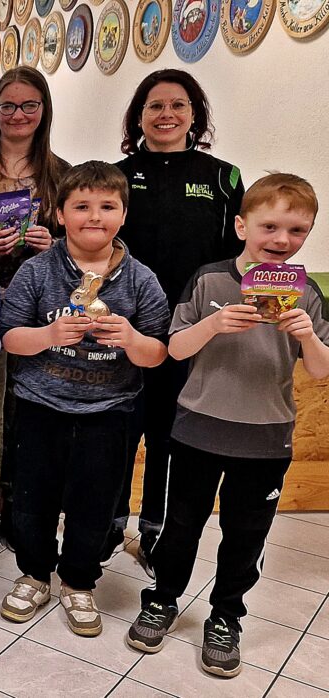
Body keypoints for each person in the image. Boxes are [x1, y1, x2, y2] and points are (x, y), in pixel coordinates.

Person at [126, 173, 328, 678]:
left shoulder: (305, 292)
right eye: (270, 226)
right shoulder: (209, 279)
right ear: (242, 226)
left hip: (267, 438)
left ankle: (225, 616)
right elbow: (174, 348)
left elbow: (321, 370)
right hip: (198, 429)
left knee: (246, 535)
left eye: (298, 230)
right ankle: (162, 599)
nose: (282, 240)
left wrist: (308, 338)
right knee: (181, 527)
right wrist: (214, 324)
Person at [0, 162, 169, 637]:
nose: (94, 217)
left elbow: (158, 354)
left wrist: (131, 338)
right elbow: (9, 338)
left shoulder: (141, 280)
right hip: (39, 407)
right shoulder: (37, 270)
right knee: (31, 501)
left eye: (107, 207)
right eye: (82, 207)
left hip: (109, 413)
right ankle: (34, 574)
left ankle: (78, 581)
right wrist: (50, 333)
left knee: (95, 505)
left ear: (124, 214)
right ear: (60, 213)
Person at [109, 69, 245, 575]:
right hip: (123, 331)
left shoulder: (223, 176)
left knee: (170, 435)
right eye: (154, 105)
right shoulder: (116, 174)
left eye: (178, 105)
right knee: (121, 428)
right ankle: (109, 523)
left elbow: (237, 257)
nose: (166, 114)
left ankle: (154, 533)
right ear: (138, 115)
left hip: (191, 334)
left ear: (194, 114)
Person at [0, 65, 71, 552]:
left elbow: (84, 244)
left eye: (29, 105)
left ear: (43, 111)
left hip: (41, 312)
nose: (18, 114)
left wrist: (57, 243)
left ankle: (20, 504)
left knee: (30, 411)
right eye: (8, 105)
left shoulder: (63, 175)